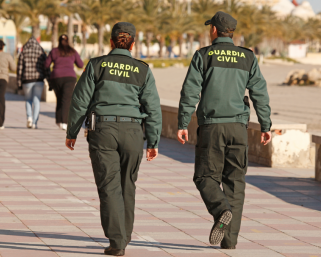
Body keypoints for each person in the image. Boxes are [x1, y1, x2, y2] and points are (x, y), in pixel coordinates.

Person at [177, 11, 272, 249]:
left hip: (211, 127)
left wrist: (182, 123)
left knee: (204, 176)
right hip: (238, 127)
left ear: (214, 30)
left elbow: (190, 91)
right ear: (232, 32)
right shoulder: (247, 57)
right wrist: (266, 124)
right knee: (235, 182)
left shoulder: (203, 55)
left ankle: (220, 211)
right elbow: (259, 92)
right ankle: (229, 242)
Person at [65, 22, 162, 256]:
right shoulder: (142, 69)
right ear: (133, 44)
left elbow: (80, 101)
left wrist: (72, 132)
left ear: (111, 41)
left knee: (109, 185)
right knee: (128, 185)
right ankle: (124, 235)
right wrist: (154, 141)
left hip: (103, 130)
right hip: (132, 132)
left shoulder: (96, 65)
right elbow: (153, 107)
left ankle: (117, 241)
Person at [45, 34, 83, 130]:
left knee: (60, 98)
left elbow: (46, 64)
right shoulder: (72, 51)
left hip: (56, 77)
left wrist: (49, 73)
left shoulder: (54, 51)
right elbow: (80, 64)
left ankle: (59, 121)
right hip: (69, 77)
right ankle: (64, 122)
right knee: (66, 100)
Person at [17, 36, 47, 129]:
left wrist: (19, 82)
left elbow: (20, 68)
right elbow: (46, 66)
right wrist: (47, 78)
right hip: (39, 80)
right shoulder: (41, 51)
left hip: (27, 80)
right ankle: (35, 122)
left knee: (28, 99)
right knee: (36, 100)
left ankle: (29, 117)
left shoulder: (24, 52)